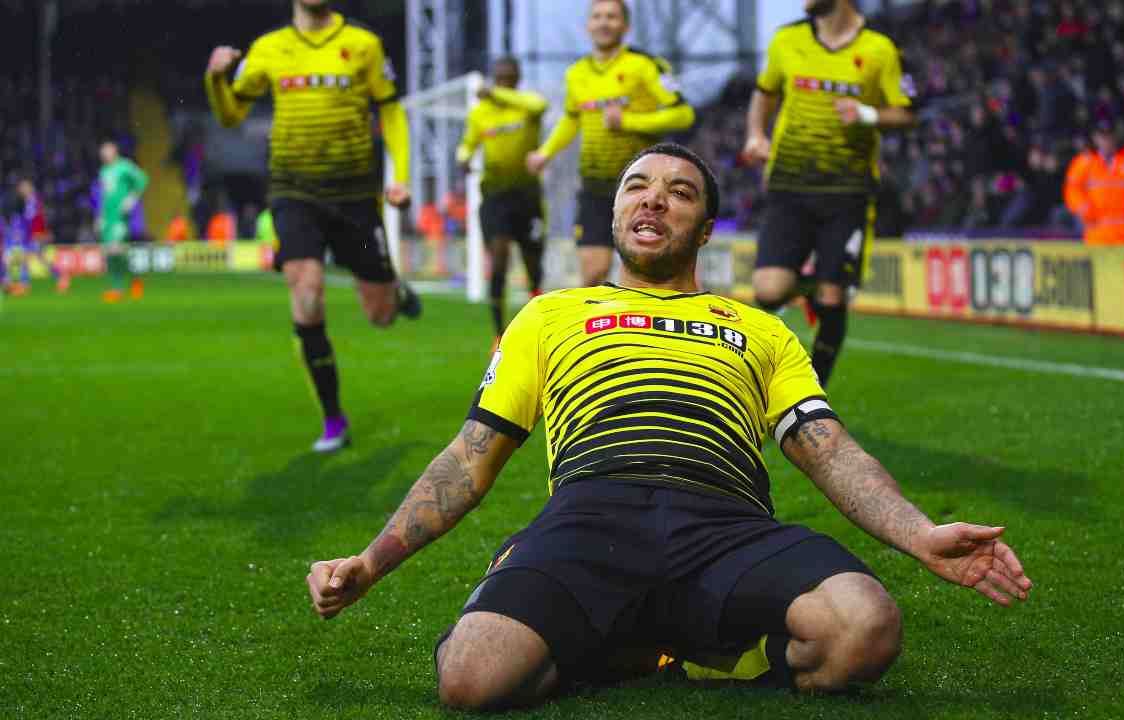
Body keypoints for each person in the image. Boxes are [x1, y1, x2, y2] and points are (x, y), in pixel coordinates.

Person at [306, 143, 1032, 709]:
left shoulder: (759, 329)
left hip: (725, 524)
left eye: (679, 193)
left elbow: (828, 448)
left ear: (706, 227)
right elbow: (471, 457)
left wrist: (917, 533)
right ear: (617, 213)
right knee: (471, 680)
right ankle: (635, 634)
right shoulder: (550, 314)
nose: (654, 201)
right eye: (637, 188)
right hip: (592, 514)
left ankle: (660, 641)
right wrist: (371, 562)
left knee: (865, 631)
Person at [204, 0, 422, 452]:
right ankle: (332, 418)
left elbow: (391, 110)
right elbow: (230, 115)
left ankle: (394, 292)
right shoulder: (268, 48)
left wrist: (399, 175)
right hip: (293, 188)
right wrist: (214, 79)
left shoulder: (363, 44)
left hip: (354, 192)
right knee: (305, 290)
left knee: (380, 316)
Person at [741, 0, 918, 389]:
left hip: (848, 191)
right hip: (790, 185)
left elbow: (907, 112)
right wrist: (756, 133)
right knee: (769, 291)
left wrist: (868, 114)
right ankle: (809, 289)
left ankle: (810, 399)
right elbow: (765, 91)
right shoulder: (786, 39)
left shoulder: (880, 48)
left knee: (834, 296)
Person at [525, 0, 694, 287]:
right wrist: (546, 152)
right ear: (588, 26)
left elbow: (683, 113)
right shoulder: (576, 73)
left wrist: (628, 121)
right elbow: (571, 119)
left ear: (625, 26)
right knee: (592, 272)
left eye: (612, 17)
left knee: (647, 271)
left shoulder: (644, 65)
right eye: (598, 17)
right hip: (594, 185)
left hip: (642, 185)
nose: (604, 22)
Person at [456, 57, 549, 343]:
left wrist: (496, 93)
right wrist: (462, 158)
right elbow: (467, 144)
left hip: (528, 195)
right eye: (500, 79)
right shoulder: (481, 114)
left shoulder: (527, 106)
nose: (504, 83)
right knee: (498, 260)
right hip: (495, 195)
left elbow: (539, 106)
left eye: (509, 79)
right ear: (495, 78)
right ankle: (499, 333)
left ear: (517, 80)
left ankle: (540, 324)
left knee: (533, 265)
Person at [1063, 122, 1124, 245]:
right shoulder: (1084, 163)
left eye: (1110, 136)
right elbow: (1072, 190)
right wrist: (1084, 209)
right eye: (1102, 137)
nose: (1106, 141)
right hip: (1096, 236)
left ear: (1116, 137)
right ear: (1095, 138)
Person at [97, 140, 149, 303]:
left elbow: (143, 179)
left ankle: (121, 286)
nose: (104, 154)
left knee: (115, 249)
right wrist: (100, 216)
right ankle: (126, 284)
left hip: (120, 217)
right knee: (110, 254)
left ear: (114, 151)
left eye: (106, 150)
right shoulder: (103, 171)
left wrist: (132, 198)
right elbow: (104, 197)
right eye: (102, 151)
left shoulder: (125, 166)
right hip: (108, 218)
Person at [3, 178, 68, 295]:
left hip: (34, 235)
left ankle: (59, 276)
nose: (23, 189)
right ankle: (22, 284)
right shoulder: (24, 202)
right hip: (28, 235)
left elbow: (37, 219)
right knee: (31, 257)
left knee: (35, 257)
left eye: (25, 187)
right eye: (22, 187)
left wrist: (41, 234)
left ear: (30, 188)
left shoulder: (33, 201)